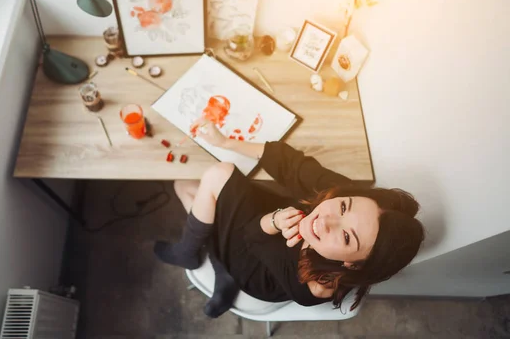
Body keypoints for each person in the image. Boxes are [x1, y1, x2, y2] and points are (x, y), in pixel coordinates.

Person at [154, 118, 425, 318]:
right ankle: (219, 265)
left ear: (351, 264)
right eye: (343, 208)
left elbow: (252, 237)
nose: (327, 220)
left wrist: (273, 222)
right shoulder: (353, 197)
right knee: (191, 184)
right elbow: (292, 165)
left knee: (201, 182)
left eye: (345, 237)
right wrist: (226, 142)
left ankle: (195, 255)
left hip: (259, 265)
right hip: (271, 221)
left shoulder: (316, 285)